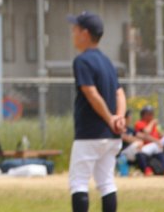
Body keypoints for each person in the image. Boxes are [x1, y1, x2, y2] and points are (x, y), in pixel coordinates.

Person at [67, 11, 126, 212]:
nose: (73, 33)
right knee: (106, 182)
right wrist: (119, 118)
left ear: (85, 33)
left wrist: (110, 119)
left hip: (90, 133)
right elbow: (119, 92)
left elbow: (91, 93)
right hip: (111, 136)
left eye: (75, 29)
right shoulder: (107, 61)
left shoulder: (82, 61)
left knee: (79, 183)